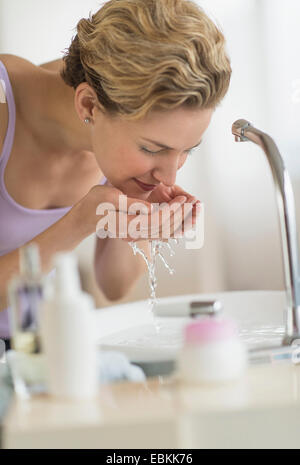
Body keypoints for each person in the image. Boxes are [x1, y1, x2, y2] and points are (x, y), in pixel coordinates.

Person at [0, 0, 231, 343]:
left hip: (32, 349)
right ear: (89, 105)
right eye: (152, 149)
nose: (169, 177)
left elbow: (114, 285)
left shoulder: (113, 143)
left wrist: (136, 204)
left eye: (186, 151)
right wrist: (81, 221)